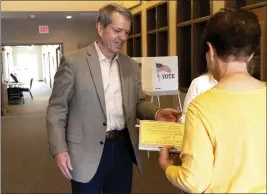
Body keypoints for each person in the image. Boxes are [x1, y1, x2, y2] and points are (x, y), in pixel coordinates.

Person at [46, 3, 179, 194]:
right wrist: (59, 149)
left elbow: (138, 102)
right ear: (100, 28)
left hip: (123, 147)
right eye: (117, 31)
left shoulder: (130, 65)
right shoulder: (73, 62)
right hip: (85, 151)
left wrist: (157, 113)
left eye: (126, 32)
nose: (123, 37)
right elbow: (57, 109)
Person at [159, 8, 266, 193]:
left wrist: (166, 166)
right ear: (250, 54)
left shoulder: (201, 107)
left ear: (210, 50)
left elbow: (193, 181)